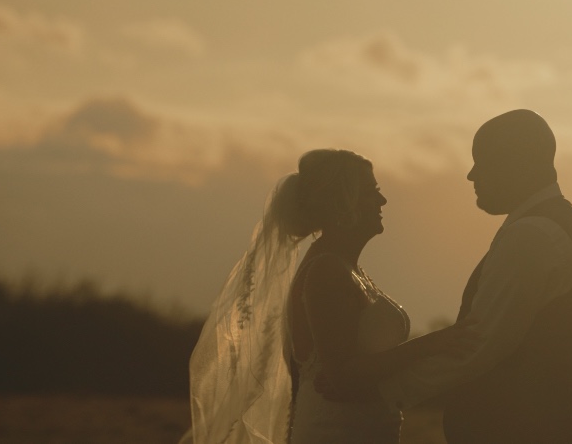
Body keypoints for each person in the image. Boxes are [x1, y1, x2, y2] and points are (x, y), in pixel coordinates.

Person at [184, 149, 476, 444]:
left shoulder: (345, 267)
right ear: (341, 203)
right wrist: (431, 344)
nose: (382, 200)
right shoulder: (326, 272)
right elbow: (340, 377)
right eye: (370, 192)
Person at [373, 109, 572, 443]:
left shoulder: (533, 235)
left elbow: (480, 345)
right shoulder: (550, 224)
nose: (471, 174)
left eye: (483, 161)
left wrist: (379, 393)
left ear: (517, 163)